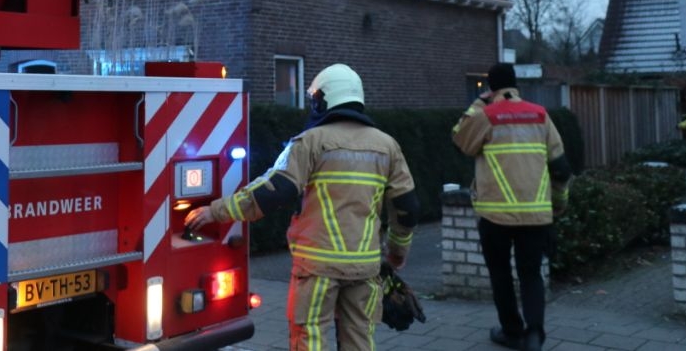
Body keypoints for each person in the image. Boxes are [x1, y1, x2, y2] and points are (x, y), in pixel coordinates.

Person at [187, 63, 419, 350]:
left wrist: (216, 210)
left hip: (317, 267)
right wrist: (397, 254)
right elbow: (406, 208)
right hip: (364, 268)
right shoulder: (387, 146)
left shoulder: (311, 142)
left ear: (324, 100)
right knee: (360, 339)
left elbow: (273, 191)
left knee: (310, 337)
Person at [452, 63, 572, 351]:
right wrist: (558, 206)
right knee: (531, 274)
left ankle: (512, 332)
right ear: (516, 84)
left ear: (491, 88)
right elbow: (561, 170)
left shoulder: (487, 116)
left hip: (495, 216)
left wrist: (477, 105)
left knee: (501, 273)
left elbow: (459, 138)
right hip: (537, 215)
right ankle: (534, 335)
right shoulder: (540, 115)